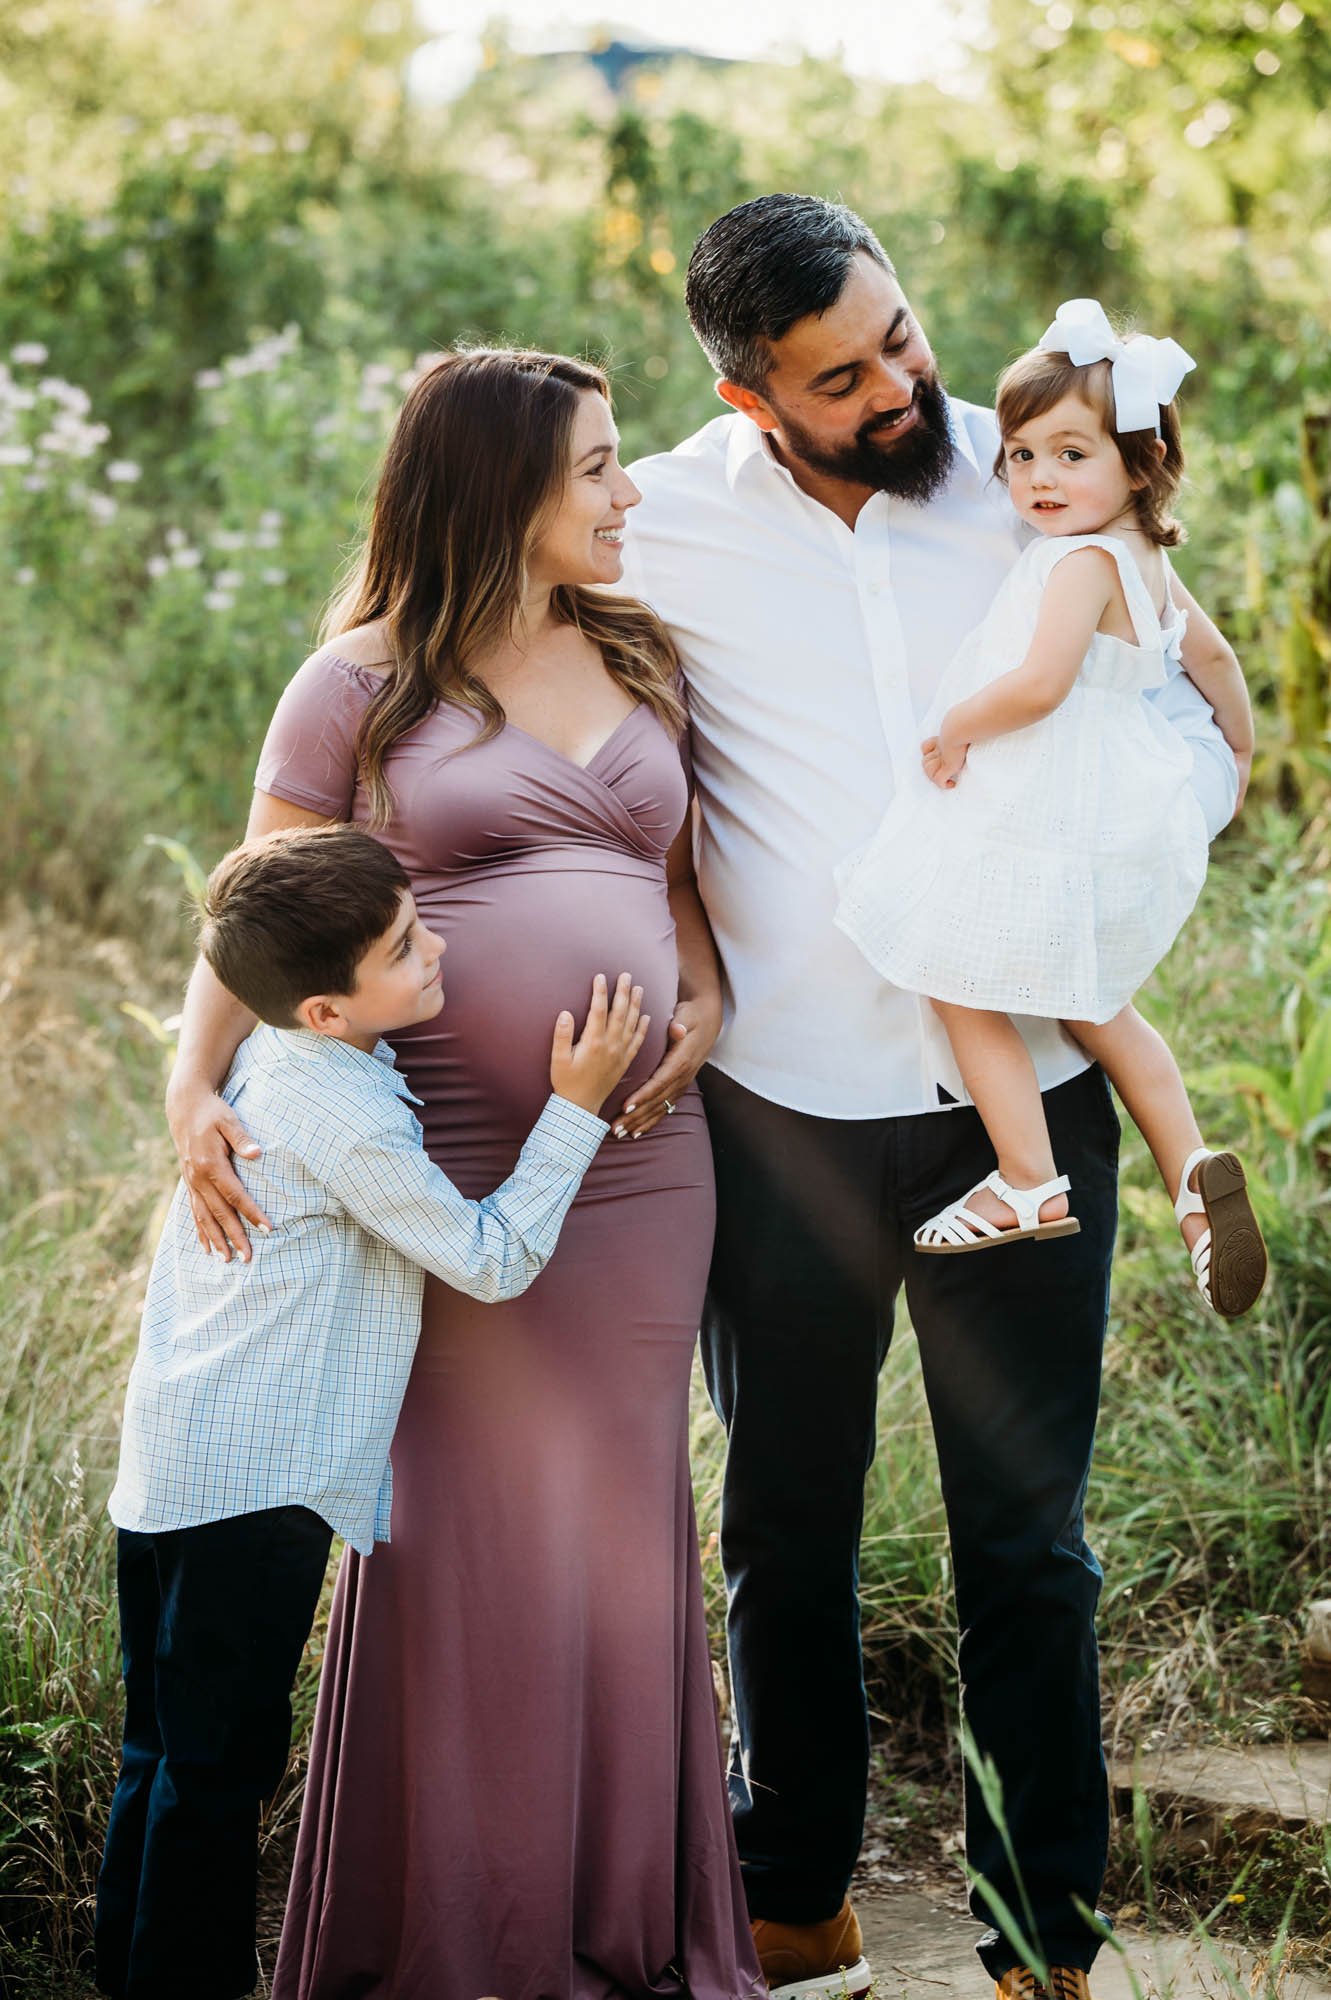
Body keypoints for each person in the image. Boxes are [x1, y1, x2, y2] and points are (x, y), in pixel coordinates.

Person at [618, 196, 1246, 2000]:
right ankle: (793, 1894)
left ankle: (1041, 1934)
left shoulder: (1036, 464)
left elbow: (1203, 699)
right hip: (786, 1111)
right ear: (752, 398)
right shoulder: (660, 523)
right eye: (846, 374)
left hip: (1023, 1090)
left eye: (901, 335)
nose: (905, 384)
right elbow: (584, 742)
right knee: (784, 1526)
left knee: (1027, 1543)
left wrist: (1140, 834)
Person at [164, 350, 764, 2000]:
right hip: (449, 1163)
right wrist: (188, 1080)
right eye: (594, 467)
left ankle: (622, 1920)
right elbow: (258, 913)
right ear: (499, 486)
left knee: (623, 1516)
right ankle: (457, 1928)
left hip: (642, 1167)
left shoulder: (641, 652)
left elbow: (674, 878)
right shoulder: (355, 683)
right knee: (457, 1525)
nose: (625, 492)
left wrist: (701, 997)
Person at [96, 822, 643, 2000]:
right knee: (216, 1768)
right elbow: (488, 1260)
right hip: (254, 1483)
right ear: (326, 1010)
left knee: (165, 1756)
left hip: (177, 1463)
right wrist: (576, 1107)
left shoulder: (283, 1055)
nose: (434, 947)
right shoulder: (340, 1107)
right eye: (403, 945)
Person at [833, 299, 1267, 1317]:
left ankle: (1025, 1176)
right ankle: (1191, 1171)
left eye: (1070, 454)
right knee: (1094, 1005)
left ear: (1140, 459)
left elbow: (1038, 683)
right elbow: (1210, 659)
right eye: (1021, 453)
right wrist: (1237, 747)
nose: (1036, 477)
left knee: (947, 971)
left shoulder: (1075, 562)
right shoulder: (1144, 557)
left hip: (1045, 802)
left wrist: (955, 728)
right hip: (1119, 804)